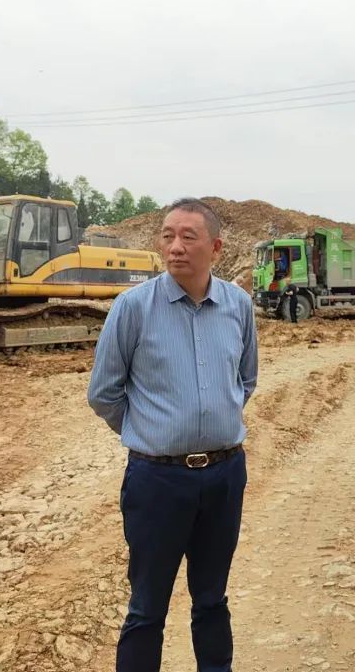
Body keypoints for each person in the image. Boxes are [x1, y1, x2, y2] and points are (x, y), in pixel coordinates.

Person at [87, 197, 258, 672]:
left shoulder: (238, 306)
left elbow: (245, 380)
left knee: (212, 600)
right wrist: (149, 431)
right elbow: (104, 392)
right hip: (157, 480)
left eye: (188, 237)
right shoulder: (133, 308)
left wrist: (213, 423)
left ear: (216, 247)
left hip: (224, 475)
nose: (175, 246)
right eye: (167, 236)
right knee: (147, 608)